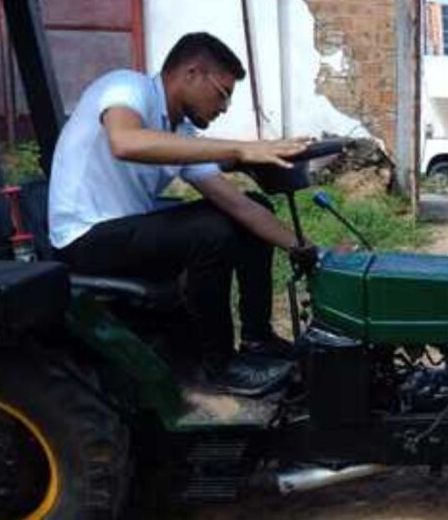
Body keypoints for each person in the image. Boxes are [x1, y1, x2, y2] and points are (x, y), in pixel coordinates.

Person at [48, 32, 312, 395]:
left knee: (248, 208)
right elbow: (124, 142)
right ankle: (218, 366)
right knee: (209, 230)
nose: (223, 108)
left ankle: (257, 338)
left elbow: (238, 206)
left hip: (125, 235)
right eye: (222, 93)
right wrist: (242, 148)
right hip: (83, 240)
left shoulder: (179, 132)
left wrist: (307, 249)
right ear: (192, 73)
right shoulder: (128, 86)